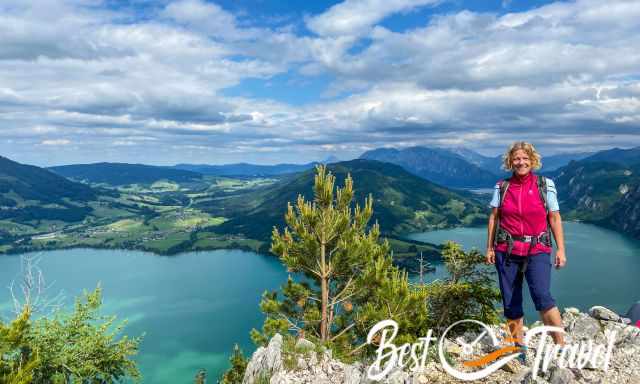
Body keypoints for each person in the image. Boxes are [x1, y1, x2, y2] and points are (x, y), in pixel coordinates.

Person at [486, 141, 567, 357]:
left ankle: (561, 347)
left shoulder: (544, 184)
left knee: (542, 296)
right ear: (510, 161)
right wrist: (490, 248)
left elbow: (555, 217)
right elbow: (494, 217)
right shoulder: (502, 186)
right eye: (516, 159)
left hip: (537, 247)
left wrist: (561, 250)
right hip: (507, 248)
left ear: (532, 160)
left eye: (525, 158)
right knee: (511, 300)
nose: (521, 162)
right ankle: (516, 348)